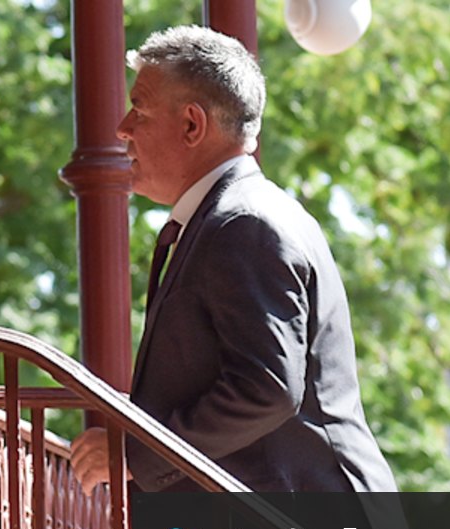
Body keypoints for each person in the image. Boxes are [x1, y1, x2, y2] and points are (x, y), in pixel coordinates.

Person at [69, 25, 397, 495]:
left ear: (191, 125)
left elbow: (266, 389)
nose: (122, 128)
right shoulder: (236, 217)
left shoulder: (244, 224)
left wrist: (136, 452)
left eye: (138, 109)